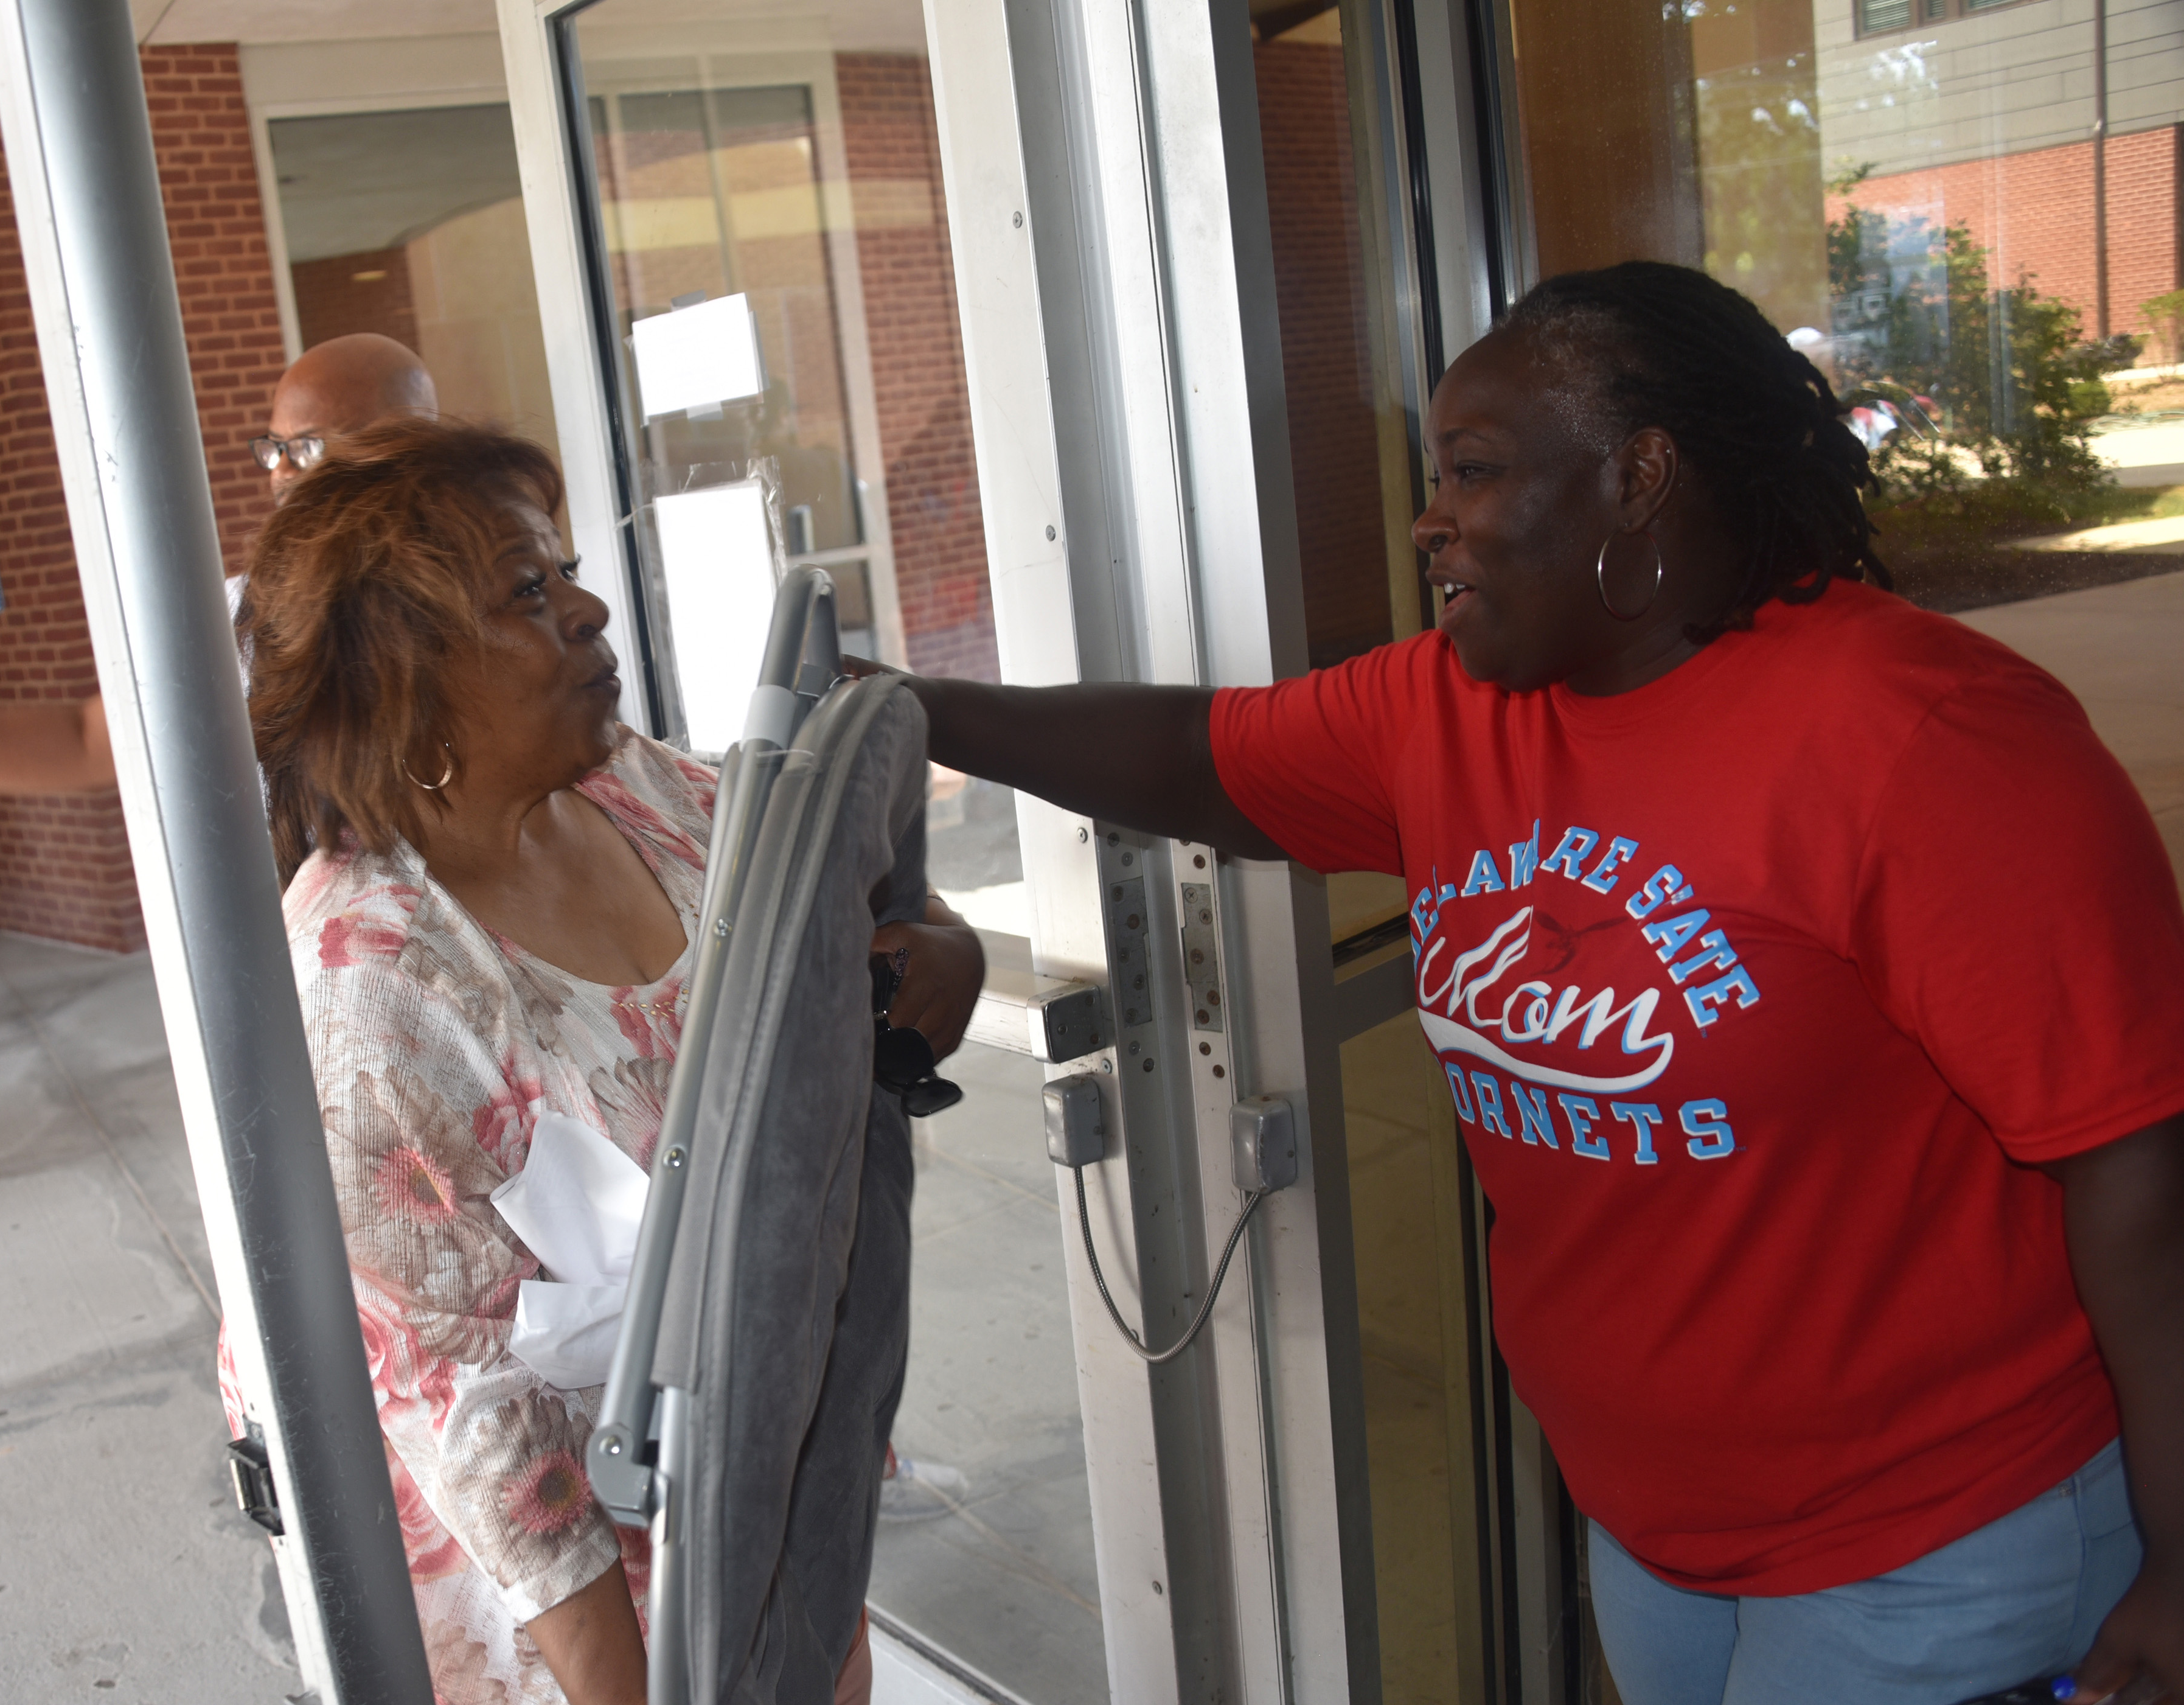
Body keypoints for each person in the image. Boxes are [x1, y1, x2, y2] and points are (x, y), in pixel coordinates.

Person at [863, 262, 2184, 1705]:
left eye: (1475, 470)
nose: (1430, 518)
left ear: (1639, 476)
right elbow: (1203, 757)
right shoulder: (1450, 704)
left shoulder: (1923, 739)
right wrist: (911, 711)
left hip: (1938, 1540)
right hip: (1650, 1524)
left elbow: (2137, 1170)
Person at [236, 413, 982, 1704]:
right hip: (551, 1565)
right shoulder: (370, 983)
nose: (586, 612)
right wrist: (628, 1686)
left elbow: (834, 917)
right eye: (529, 592)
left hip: (740, 1448)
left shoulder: (631, 789)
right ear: (409, 678)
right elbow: (460, 1400)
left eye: (565, 572)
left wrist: (946, 949)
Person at [0, 333, 440, 800]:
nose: (281, 473)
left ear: (411, 447)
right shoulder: (248, 622)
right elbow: (87, 742)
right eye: (274, 448)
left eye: (310, 447)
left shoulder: (507, 597)